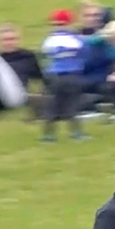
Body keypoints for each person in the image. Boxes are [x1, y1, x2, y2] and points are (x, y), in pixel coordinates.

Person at [41, 9, 87, 142]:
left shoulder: (49, 40)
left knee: (52, 105)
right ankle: (76, 133)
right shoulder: (76, 39)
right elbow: (84, 53)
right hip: (73, 75)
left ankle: (48, 135)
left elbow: (46, 55)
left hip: (54, 76)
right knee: (72, 104)